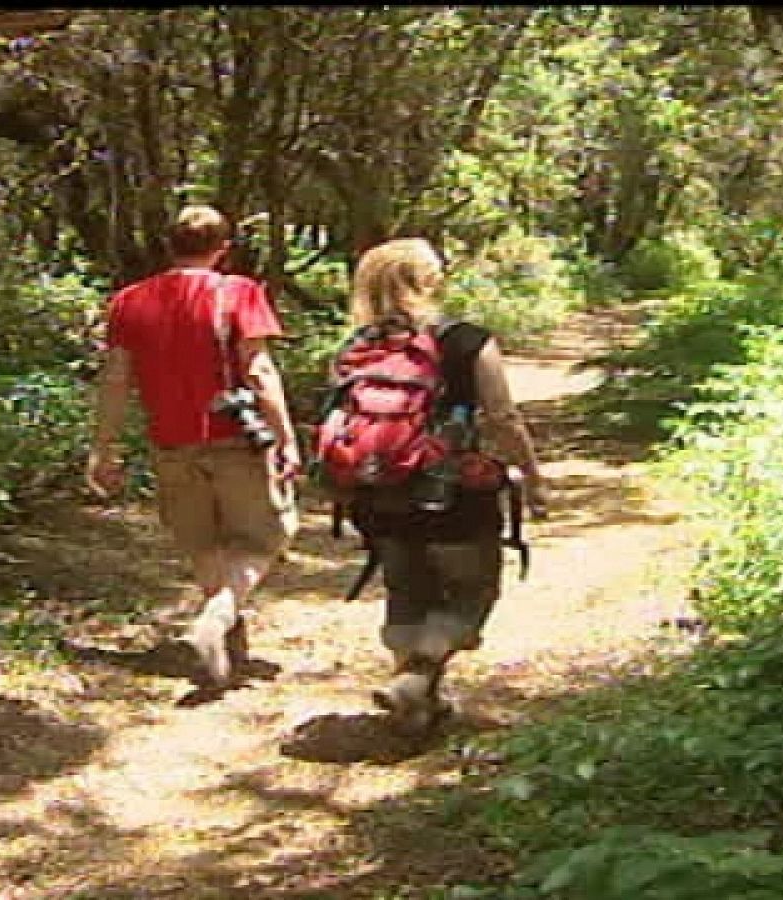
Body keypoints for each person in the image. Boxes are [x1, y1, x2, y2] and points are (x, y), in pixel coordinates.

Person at [85, 205, 301, 691]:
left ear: (168, 245)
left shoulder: (128, 301)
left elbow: (116, 377)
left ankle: (224, 641)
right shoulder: (241, 293)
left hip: (170, 442)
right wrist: (285, 437)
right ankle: (219, 616)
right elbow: (260, 371)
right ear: (222, 249)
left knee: (202, 542)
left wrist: (104, 446)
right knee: (268, 536)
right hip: (234, 439)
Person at [342, 237, 551, 733]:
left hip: (379, 494)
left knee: (406, 590)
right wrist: (533, 477)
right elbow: (502, 416)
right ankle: (415, 680)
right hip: (454, 494)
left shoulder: (356, 347)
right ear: (430, 281)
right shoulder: (467, 341)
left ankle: (418, 707)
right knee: (470, 594)